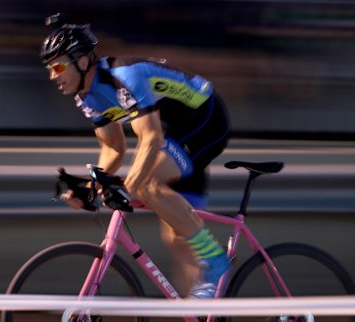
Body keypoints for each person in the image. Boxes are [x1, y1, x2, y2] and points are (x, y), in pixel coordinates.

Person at [41, 13, 231, 298]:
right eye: (49, 69)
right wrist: (90, 186)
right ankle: (201, 311)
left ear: (82, 61)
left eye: (57, 66)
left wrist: (129, 184)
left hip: (205, 120)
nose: (52, 76)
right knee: (177, 234)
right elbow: (113, 148)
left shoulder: (124, 77)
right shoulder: (86, 96)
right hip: (174, 133)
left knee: (147, 184)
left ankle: (217, 260)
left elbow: (151, 137)